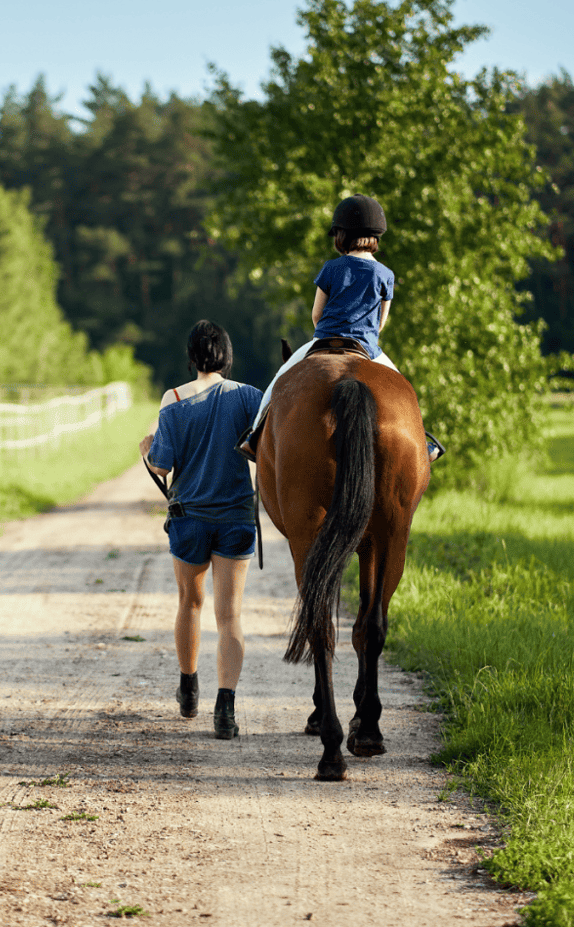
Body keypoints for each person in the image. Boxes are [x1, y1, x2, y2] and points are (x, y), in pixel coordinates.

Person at [241, 194, 445, 462]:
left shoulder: (331, 268)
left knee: (280, 378)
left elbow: (317, 315)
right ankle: (422, 441)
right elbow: (381, 323)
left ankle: (254, 435)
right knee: (403, 389)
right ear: (376, 236)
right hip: (367, 347)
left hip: (324, 341)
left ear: (341, 236)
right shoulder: (385, 275)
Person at [139, 320, 262, 739]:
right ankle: (225, 712)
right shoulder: (249, 396)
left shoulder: (172, 399)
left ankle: (188, 688)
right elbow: (262, 449)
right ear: (226, 355)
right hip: (235, 518)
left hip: (189, 518)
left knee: (189, 604)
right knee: (230, 616)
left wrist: (146, 449)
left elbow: (161, 464)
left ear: (192, 356)